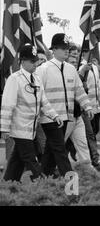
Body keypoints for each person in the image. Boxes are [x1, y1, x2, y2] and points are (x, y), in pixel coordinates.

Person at [1, 44, 61, 182]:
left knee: (17, 161)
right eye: (32, 61)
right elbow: (7, 105)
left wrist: (54, 115)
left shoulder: (37, 79)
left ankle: (9, 184)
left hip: (31, 130)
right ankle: (44, 185)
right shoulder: (14, 79)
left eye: (36, 60)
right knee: (31, 159)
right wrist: (4, 128)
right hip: (19, 130)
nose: (36, 64)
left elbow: (44, 102)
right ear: (22, 61)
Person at [36, 33, 94, 177]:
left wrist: (87, 106)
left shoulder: (71, 69)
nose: (66, 51)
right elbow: (38, 95)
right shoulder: (43, 69)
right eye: (62, 48)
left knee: (50, 151)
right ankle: (71, 185)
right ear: (53, 50)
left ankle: (43, 179)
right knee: (60, 151)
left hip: (66, 118)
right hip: (50, 119)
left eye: (67, 48)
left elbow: (79, 90)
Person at [66, 46, 100, 170]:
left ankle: (91, 163)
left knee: (89, 135)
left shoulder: (92, 68)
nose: (74, 62)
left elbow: (92, 87)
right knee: (64, 141)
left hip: (83, 110)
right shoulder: (74, 71)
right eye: (72, 60)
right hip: (67, 113)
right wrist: (81, 72)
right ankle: (61, 164)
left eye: (75, 60)